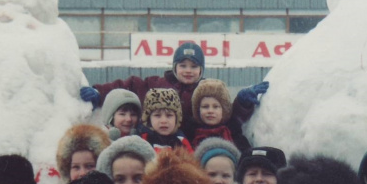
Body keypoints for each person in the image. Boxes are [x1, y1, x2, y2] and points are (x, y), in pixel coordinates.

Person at [79, 42, 269, 138]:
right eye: (183, 65)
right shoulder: (157, 84)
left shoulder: (207, 91)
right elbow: (124, 87)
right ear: (175, 66)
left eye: (194, 67)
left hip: (191, 145)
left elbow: (227, 116)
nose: (188, 71)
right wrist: (99, 92)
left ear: (201, 70)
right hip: (156, 140)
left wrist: (243, 102)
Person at [190, 79, 251, 150]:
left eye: (215, 107)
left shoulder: (234, 135)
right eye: (205, 107)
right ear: (198, 110)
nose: (210, 111)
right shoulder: (191, 134)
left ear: (224, 109)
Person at [137, 88, 194, 153]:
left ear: (177, 118)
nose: (163, 121)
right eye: (157, 115)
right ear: (149, 118)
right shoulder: (142, 140)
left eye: (169, 115)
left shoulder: (181, 141)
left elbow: (191, 161)